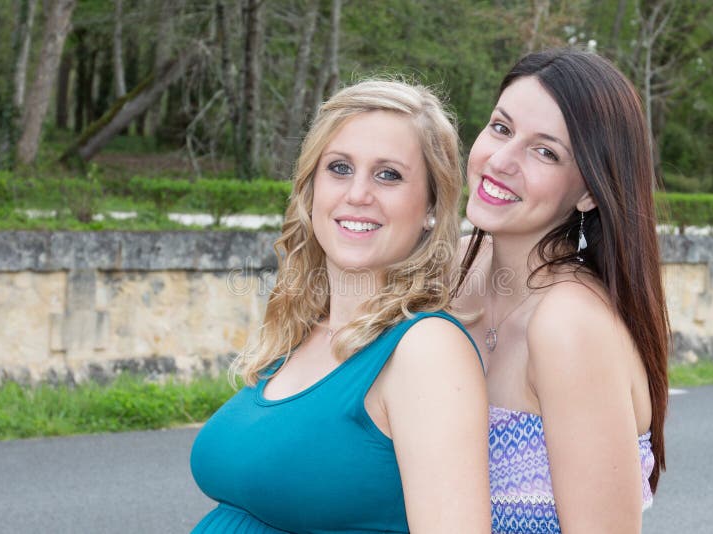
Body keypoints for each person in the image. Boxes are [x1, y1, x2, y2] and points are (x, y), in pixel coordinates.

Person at [190, 80, 491, 533]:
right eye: (339, 168)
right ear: (311, 187)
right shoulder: (301, 327)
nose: (358, 194)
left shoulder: (426, 350)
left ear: (431, 206)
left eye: (388, 174)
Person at [454, 49, 669, 533]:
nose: (501, 160)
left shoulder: (569, 325)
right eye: (501, 128)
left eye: (545, 151)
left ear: (590, 191)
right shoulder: (452, 271)